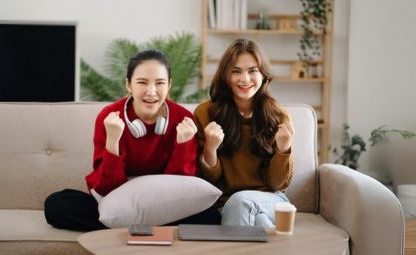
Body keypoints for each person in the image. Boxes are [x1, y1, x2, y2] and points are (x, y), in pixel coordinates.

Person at [44, 49, 219, 231]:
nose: (151, 92)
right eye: (142, 82)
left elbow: (181, 189)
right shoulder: (109, 117)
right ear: (129, 85)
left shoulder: (183, 119)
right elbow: (106, 188)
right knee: (56, 204)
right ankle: (149, 227)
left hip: (164, 202)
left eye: (160, 83)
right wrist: (113, 142)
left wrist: (183, 146)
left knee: (211, 217)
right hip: (117, 199)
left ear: (169, 85)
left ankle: (123, 227)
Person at [193, 38, 295, 229]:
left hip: (270, 201)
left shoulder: (279, 117)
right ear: (225, 76)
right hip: (225, 204)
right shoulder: (205, 114)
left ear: (263, 74)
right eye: (236, 71)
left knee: (241, 202)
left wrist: (284, 149)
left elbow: (277, 185)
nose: (245, 79)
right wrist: (210, 149)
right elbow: (208, 182)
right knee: (255, 220)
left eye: (252, 71)